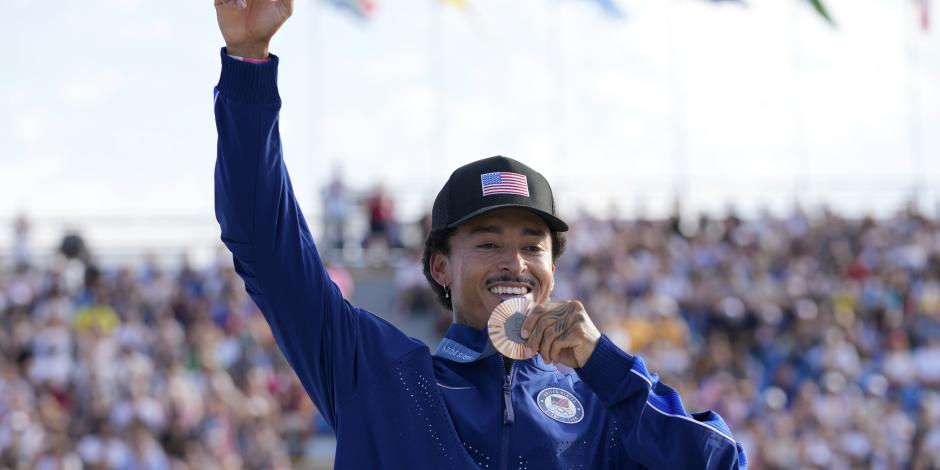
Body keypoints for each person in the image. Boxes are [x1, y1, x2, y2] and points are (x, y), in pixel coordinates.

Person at [212, 0, 747, 467]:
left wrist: (606, 366)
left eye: (532, 245)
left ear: (553, 270)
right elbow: (265, 244)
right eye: (488, 242)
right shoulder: (379, 375)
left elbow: (719, 464)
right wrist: (248, 64)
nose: (514, 263)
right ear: (440, 266)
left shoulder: (605, 404)